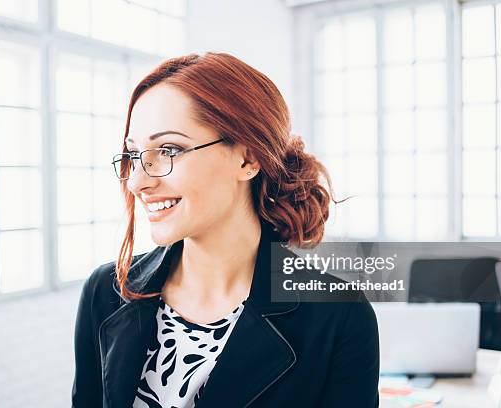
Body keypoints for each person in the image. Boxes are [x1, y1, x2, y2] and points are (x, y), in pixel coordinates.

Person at [71, 52, 379, 408]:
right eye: (134, 154)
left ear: (247, 159)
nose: (138, 181)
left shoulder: (338, 317)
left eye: (169, 149)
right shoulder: (106, 292)